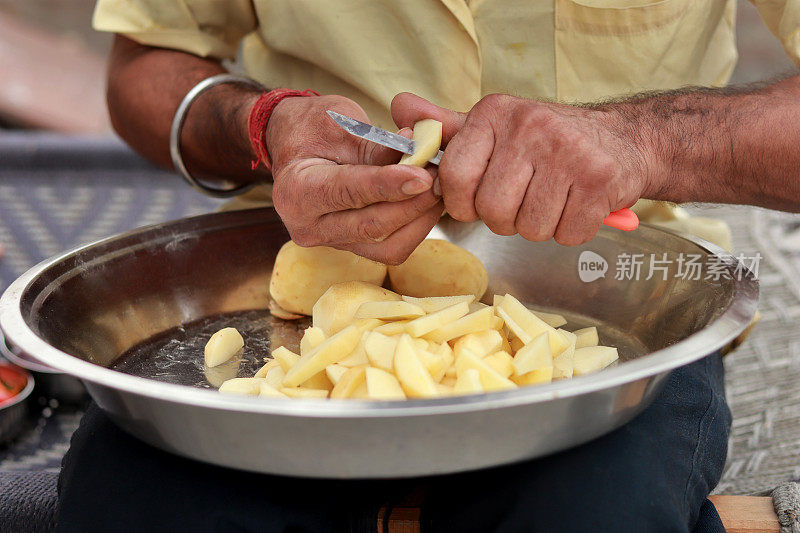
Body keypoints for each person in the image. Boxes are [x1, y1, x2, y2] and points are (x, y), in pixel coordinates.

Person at [54, 1, 797, 531]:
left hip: (621, 296)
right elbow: (141, 67)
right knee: (129, 501)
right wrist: (264, 124)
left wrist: (643, 142)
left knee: (597, 512)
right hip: (295, 288)